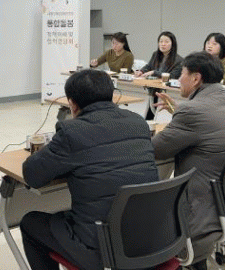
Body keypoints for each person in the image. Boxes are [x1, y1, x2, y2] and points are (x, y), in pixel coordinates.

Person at [20, 69, 158, 270]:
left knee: (30, 222)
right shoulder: (138, 122)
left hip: (103, 251)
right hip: (150, 239)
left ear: (72, 104)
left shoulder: (71, 132)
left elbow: (32, 175)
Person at [151, 52, 225, 269]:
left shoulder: (192, 110)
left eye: (182, 74)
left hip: (200, 204)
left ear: (196, 78)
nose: (179, 79)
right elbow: (207, 125)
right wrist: (179, 111)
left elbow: (156, 150)